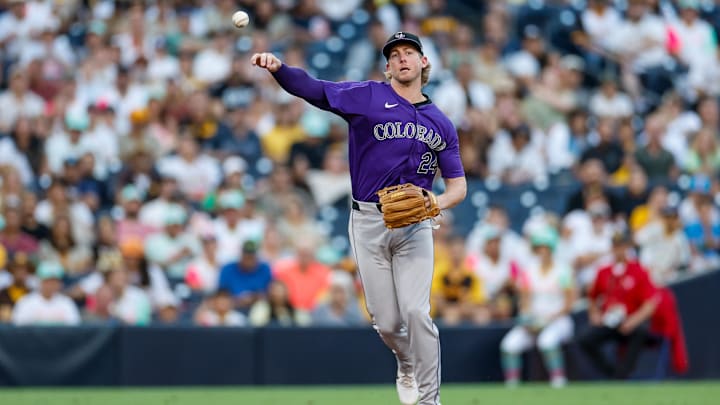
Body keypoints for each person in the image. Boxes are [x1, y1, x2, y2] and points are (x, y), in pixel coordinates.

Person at [251, 30, 467, 405]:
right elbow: (315, 89)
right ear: (387, 68)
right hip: (368, 221)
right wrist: (280, 69)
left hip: (416, 226)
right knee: (386, 322)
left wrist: (435, 203)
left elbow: (458, 188)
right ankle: (406, 362)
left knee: (417, 312)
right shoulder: (368, 97)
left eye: (409, 52)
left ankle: (430, 401)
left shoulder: (441, 124)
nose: (402, 58)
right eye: (394, 54)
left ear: (423, 62)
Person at [499, 227, 575, 388]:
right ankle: (512, 384)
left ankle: (558, 379)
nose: (542, 251)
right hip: (533, 321)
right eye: (538, 247)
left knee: (546, 342)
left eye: (545, 247)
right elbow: (524, 299)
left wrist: (549, 318)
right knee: (509, 345)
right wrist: (527, 317)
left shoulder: (562, 270)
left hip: (559, 320)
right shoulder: (529, 270)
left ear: (551, 248)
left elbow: (569, 302)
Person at [578, 232, 659, 380]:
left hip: (632, 321)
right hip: (609, 321)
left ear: (627, 247)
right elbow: (592, 298)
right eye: (616, 246)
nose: (619, 250)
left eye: (622, 246)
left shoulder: (639, 270)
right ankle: (611, 372)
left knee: (640, 332)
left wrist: (633, 321)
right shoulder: (604, 271)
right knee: (585, 338)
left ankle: (623, 374)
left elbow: (650, 303)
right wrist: (594, 314)